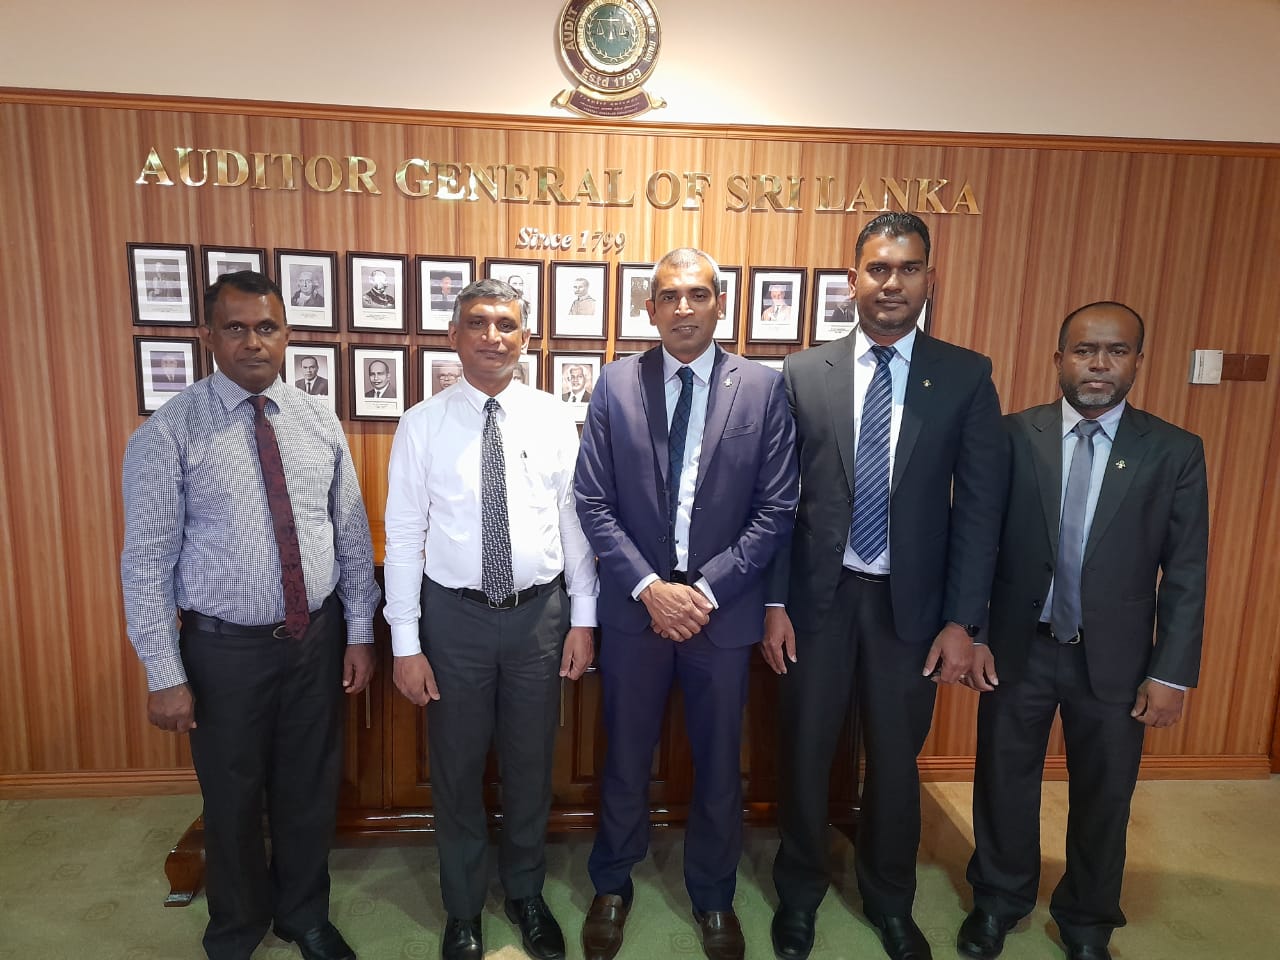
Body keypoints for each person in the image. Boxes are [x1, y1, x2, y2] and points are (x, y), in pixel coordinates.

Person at [763, 212, 1007, 960]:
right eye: (877, 268)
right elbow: (775, 502)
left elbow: (980, 508)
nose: (891, 283)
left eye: (907, 268)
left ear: (929, 278)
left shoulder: (965, 375)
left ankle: (891, 900)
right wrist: (774, 602)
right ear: (853, 280)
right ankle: (799, 893)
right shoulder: (804, 373)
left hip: (914, 610)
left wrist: (964, 621)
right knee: (805, 753)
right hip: (817, 602)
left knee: (896, 764)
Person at [120, 270, 380, 960]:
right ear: (209, 337)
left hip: (314, 639)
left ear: (287, 335)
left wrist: (358, 631)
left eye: (266, 327)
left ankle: (303, 915)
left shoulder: (318, 420)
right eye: (235, 328)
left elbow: (350, 533)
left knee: (309, 787)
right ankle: (235, 930)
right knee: (233, 799)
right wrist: (164, 673)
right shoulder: (170, 431)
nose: (253, 342)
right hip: (223, 652)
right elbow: (146, 562)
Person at [957, 302, 1208, 960]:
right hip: (1018, 647)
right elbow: (976, 542)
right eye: (1085, 350)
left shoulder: (1174, 451)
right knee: (1003, 781)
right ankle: (999, 899)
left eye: (1116, 351)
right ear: (1059, 359)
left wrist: (1171, 671)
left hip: (1117, 660)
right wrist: (973, 631)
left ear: (1137, 362)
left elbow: (1186, 571)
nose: (1099, 364)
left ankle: (1088, 920)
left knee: (1106, 794)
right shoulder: (1012, 436)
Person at [574, 248, 798, 960]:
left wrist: (702, 592)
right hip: (636, 611)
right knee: (623, 757)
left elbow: (777, 508)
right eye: (669, 296)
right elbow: (592, 501)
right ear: (650, 309)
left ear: (719, 304)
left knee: (719, 765)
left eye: (697, 294)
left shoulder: (762, 388)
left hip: (719, 615)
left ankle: (713, 895)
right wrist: (650, 588)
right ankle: (612, 883)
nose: (683, 308)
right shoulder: (617, 384)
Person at [384, 278, 598, 960]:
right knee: (456, 767)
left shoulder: (553, 418)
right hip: (455, 622)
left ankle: (527, 894)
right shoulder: (422, 423)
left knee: (532, 765)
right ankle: (464, 907)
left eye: (506, 324)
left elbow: (574, 524)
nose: (492, 337)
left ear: (525, 339)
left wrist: (583, 618)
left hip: (539, 617)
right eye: (477, 323)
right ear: (454, 336)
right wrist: (405, 643)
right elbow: (403, 534)